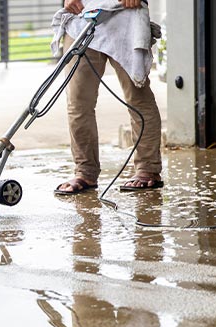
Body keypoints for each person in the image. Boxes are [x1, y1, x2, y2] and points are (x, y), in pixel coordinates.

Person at [54, 0, 163, 195]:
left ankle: (148, 169)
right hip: (83, 14)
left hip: (126, 11)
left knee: (138, 97)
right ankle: (85, 172)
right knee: (78, 101)